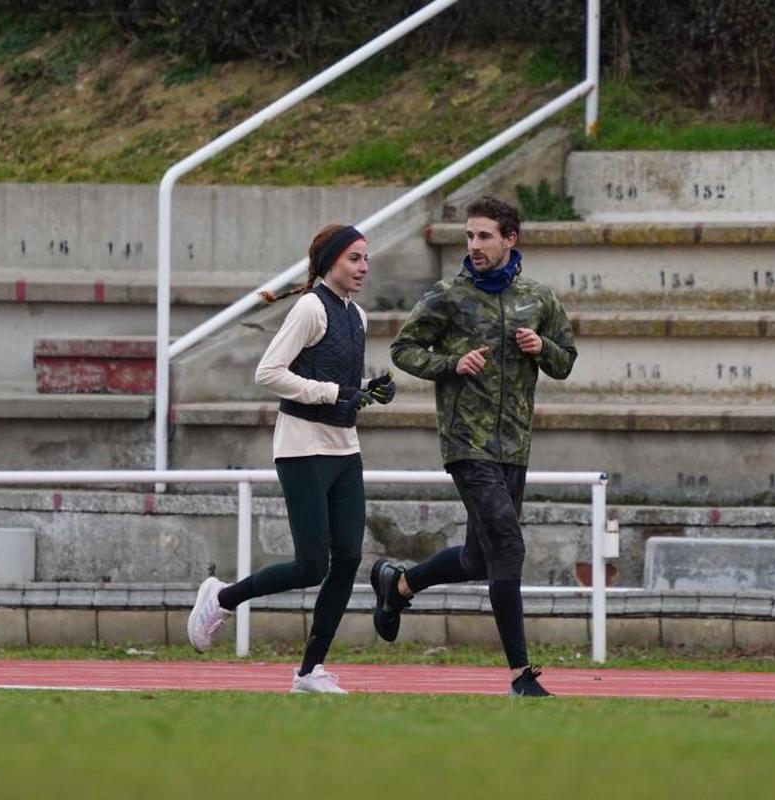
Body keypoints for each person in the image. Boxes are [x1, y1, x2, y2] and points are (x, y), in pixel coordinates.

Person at [374, 195, 577, 697]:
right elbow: (402, 349)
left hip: (515, 445)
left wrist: (542, 348)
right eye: (469, 236)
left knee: (478, 560)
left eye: (484, 236)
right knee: (508, 544)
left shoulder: (539, 298)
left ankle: (397, 585)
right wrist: (451, 364)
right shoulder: (449, 295)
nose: (475, 245)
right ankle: (520, 675)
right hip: (467, 442)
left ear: (511, 239)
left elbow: (566, 360)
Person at [187, 223, 396, 694]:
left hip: (345, 448)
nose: (364, 267)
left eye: (366, 259)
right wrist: (332, 392)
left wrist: (368, 391)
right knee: (310, 566)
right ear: (329, 263)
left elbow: (339, 385)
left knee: (347, 558)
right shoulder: (309, 307)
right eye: (354, 259)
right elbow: (269, 372)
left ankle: (309, 672)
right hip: (302, 448)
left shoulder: (357, 316)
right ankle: (222, 598)